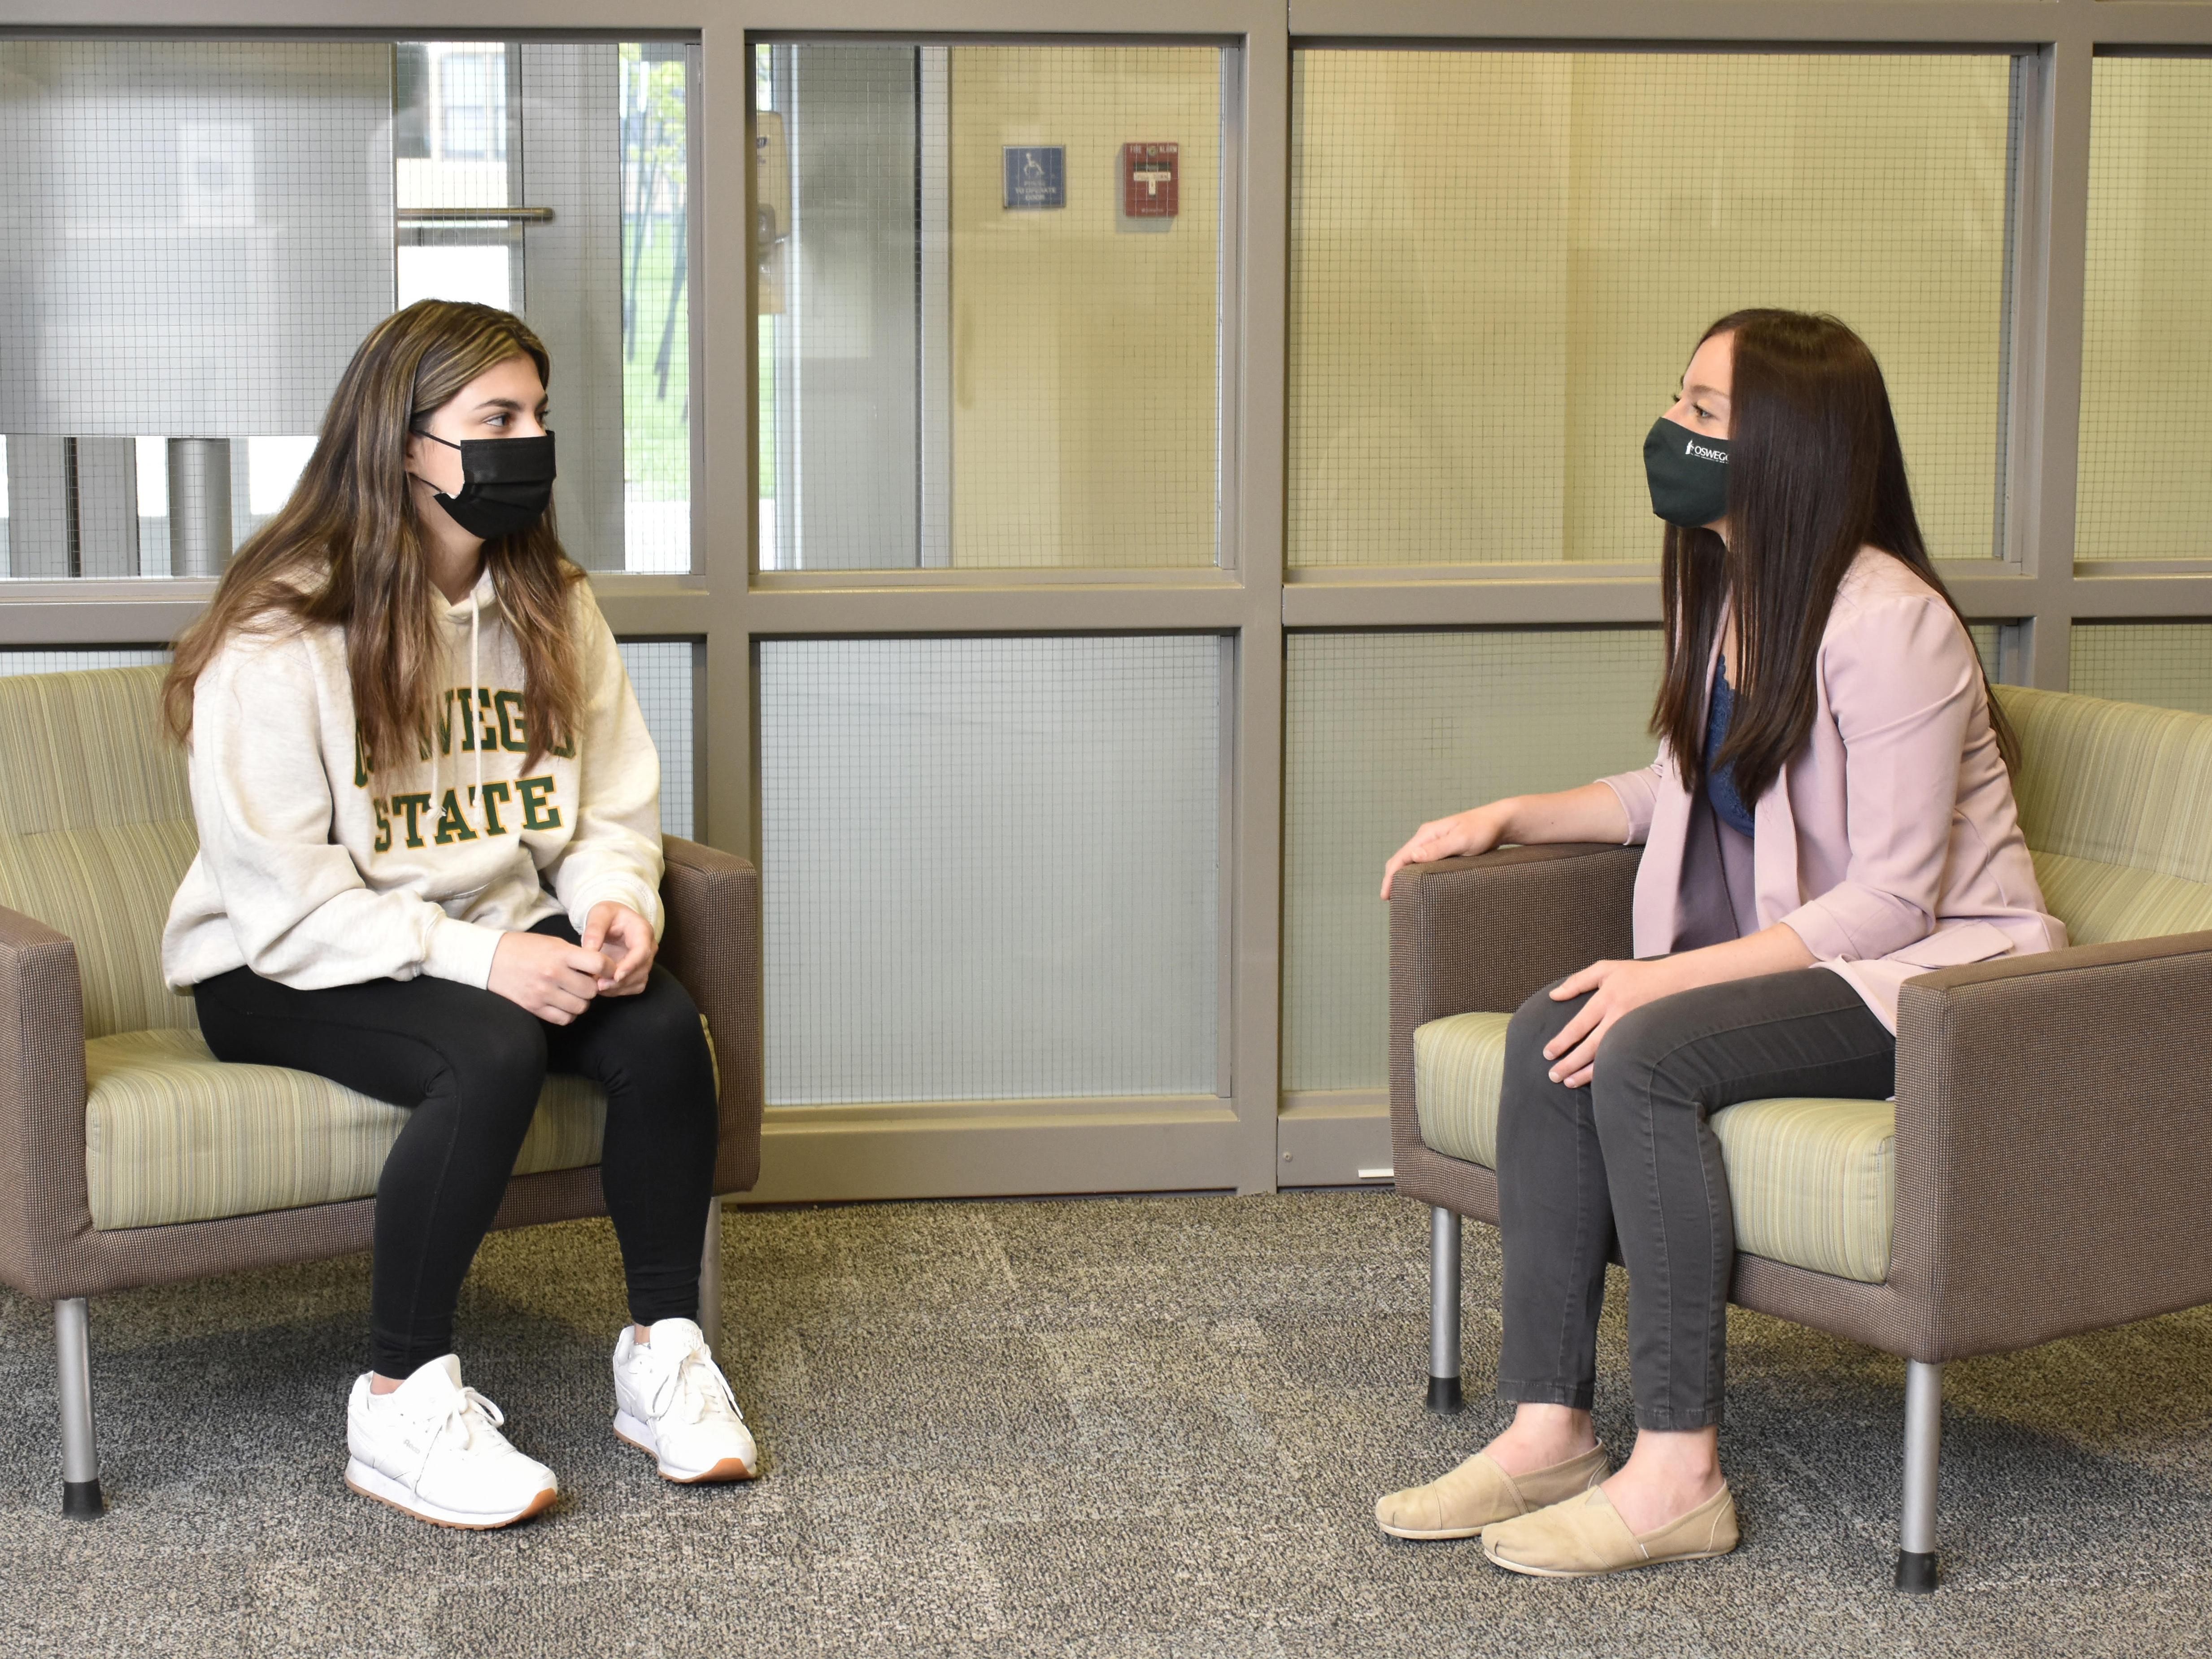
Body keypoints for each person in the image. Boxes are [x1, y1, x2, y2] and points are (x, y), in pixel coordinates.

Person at [1371, 309, 2063, 1578]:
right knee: (1547, 1033)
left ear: (1788, 448)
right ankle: (1548, 1432)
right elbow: (1675, 789)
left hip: (1942, 987)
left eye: (1702, 411)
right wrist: (1503, 813)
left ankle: (1681, 1473)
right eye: (1679, 402)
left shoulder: (1889, 623)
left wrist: (1662, 978)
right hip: (1821, 962)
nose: (1672, 431)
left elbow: (1896, 903)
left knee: (1633, 1046)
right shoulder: (1733, 587)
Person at [161, 300, 754, 1530]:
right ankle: (398, 1395)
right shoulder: (284, 630)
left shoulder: (550, 604)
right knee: (487, 1047)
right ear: (404, 444)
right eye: (498, 418)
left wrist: (610, 903)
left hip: (481, 933)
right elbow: (284, 891)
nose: (529, 442)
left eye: (538, 416)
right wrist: (487, 960)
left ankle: (664, 1352)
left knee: (655, 1026)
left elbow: (609, 805)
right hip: (282, 958)